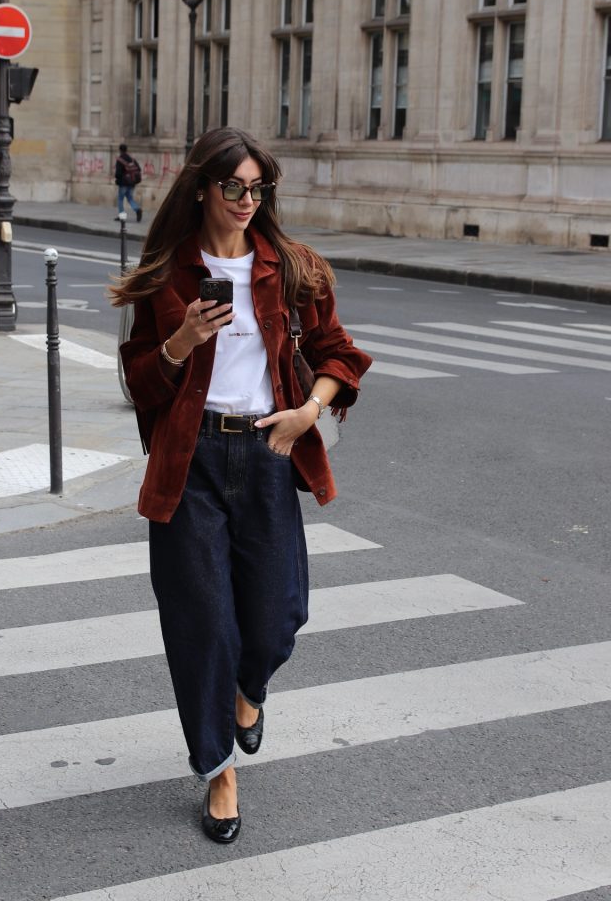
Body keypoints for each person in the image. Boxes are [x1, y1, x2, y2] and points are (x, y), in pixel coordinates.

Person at [111, 127, 371, 844]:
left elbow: (339, 355)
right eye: (234, 187)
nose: (247, 201)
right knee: (202, 625)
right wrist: (179, 343)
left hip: (266, 451)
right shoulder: (168, 275)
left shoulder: (292, 268)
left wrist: (307, 412)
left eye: (259, 189)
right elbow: (139, 382)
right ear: (202, 187)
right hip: (189, 462)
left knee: (280, 614)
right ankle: (219, 769)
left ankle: (249, 692)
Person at [114, 143, 143, 222]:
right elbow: (139, 169)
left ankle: (122, 216)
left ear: (120, 150)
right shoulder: (132, 159)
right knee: (130, 198)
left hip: (123, 183)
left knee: (120, 199)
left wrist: (117, 179)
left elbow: (118, 173)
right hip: (132, 182)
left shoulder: (120, 159)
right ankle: (137, 209)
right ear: (126, 150)